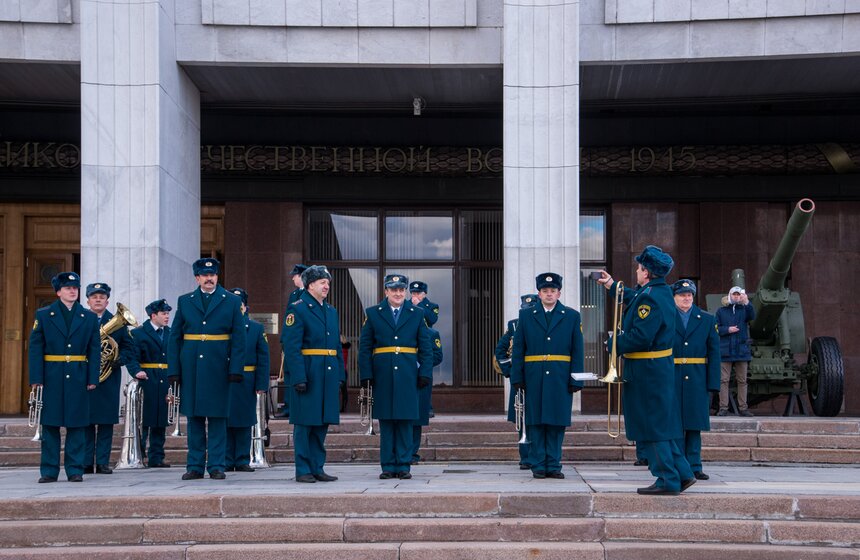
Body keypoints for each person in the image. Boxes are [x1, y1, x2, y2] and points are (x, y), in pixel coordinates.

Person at [597, 246, 695, 496]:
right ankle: (682, 474)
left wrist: (613, 344)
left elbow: (641, 336)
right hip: (655, 369)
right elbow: (635, 297)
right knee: (663, 424)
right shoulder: (658, 292)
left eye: (640, 268)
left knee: (652, 426)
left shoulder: (651, 297)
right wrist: (613, 286)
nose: (637, 272)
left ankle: (666, 478)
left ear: (647, 272)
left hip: (647, 370)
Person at [167, 258, 246, 480]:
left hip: (219, 366)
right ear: (197, 278)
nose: (209, 278)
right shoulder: (185, 301)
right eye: (204, 275)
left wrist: (235, 368)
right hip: (191, 366)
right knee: (194, 418)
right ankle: (194, 465)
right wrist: (174, 369)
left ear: (217, 276)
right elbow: (175, 337)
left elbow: (239, 338)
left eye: (212, 275)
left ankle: (217, 465)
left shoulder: (230, 301)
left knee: (218, 418)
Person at [28, 272, 101, 483]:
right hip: (51, 375)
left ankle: (75, 469)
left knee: (77, 425)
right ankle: (49, 470)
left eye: (75, 288)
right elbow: (35, 349)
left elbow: (94, 350)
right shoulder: (44, 315)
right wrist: (36, 378)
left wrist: (92, 378)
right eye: (68, 288)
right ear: (58, 291)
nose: (72, 291)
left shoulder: (87, 317)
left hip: (78, 374)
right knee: (50, 425)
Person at [510, 273, 584, 480]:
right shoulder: (526, 315)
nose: (549, 294)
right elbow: (518, 349)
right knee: (535, 422)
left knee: (556, 422)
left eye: (552, 291)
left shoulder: (571, 315)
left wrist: (576, 378)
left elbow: (577, 349)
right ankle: (538, 465)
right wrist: (517, 376)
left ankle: (554, 464)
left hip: (560, 377)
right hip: (534, 376)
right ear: (539, 293)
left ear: (559, 292)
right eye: (545, 291)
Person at [359, 274, 433, 480]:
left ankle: (403, 465)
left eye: (401, 290)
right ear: (386, 291)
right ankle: (388, 466)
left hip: (409, 374)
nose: (398, 293)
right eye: (394, 289)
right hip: (383, 374)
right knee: (387, 421)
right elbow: (365, 347)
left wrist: (425, 372)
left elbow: (426, 347)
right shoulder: (373, 313)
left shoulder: (417, 313)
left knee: (405, 420)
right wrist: (366, 374)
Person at [282, 265, 345, 483]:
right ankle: (303, 469)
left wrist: (340, 375)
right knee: (305, 424)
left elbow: (335, 345)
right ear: (310, 285)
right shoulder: (297, 309)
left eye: (328, 282)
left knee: (321, 423)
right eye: (322, 282)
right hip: (309, 371)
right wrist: (298, 376)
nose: (327, 286)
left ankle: (317, 466)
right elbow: (291, 346)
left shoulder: (331, 311)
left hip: (327, 373)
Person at [83, 282, 139, 475]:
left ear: (107, 301)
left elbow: (128, 348)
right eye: (94, 296)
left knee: (106, 422)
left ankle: (103, 462)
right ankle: (86, 462)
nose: (98, 299)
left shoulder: (118, 323)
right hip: (86, 378)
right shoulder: (82, 319)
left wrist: (119, 359)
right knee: (87, 422)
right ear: (88, 300)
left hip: (108, 378)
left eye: (102, 297)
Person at [671, 279, 720, 480]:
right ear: (674, 297)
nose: (687, 298)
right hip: (671, 376)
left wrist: (713, 383)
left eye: (690, 295)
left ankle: (695, 465)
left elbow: (714, 353)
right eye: (682, 295)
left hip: (697, 378)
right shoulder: (666, 317)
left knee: (694, 424)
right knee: (674, 425)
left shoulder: (707, 319)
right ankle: (678, 465)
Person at [226, 288, 270, 472]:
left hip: (247, 379)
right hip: (226, 380)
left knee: (245, 420)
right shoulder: (222, 327)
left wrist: (261, 384)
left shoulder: (256, 328)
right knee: (225, 420)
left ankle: (243, 458)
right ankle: (227, 459)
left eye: (240, 304)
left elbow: (263, 358)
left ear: (245, 307)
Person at [494, 293, 538, 469]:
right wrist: (510, 372)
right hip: (520, 378)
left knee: (538, 416)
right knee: (522, 416)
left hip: (537, 376)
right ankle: (525, 457)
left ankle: (538, 455)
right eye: (525, 309)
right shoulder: (514, 325)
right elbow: (500, 351)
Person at [132, 298, 173, 468]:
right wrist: (136, 371)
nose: (167, 317)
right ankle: (139, 454)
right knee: (145, 419)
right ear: (153, 315)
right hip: (147, 377)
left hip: (165, 377)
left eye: (168, 313)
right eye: (164, 313)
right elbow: (131, 356)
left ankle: (157, 456)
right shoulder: (139, 333)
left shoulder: (170, 332)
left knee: (161, 419)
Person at [716, 286, 756, 417]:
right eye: (734, 294)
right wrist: (727, 330)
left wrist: (747, 302)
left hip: (741, 351)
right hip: (725, 350)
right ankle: (723, 408)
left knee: (742, 380)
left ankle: (743, 408)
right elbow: (716, 328)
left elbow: (752, 315)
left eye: (739, 294)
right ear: (730, 295)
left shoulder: (744, 310)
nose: (736, 296)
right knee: (723, 380)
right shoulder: (721, 311)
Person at [277, 263, 308, 418]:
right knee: (288, 374)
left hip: (304, 344)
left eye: (294, 275)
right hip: (292, 342)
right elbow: (288, 320)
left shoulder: (309, 294)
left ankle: (296, 407)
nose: (292, 278)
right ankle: (288, 407)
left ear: (302, 276)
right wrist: (284, 340)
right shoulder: (293, 295)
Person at [412, 313, 443, 465]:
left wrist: (421, 364)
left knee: (417, 417)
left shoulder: (432, 333)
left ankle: (412, 453)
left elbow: (438, 356)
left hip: (422, 379)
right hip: (405, 377)